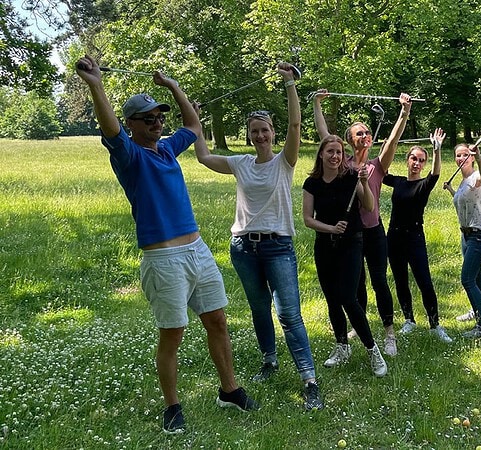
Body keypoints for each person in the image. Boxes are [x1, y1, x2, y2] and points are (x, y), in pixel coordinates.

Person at [75, 56, 258, 435]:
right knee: (173, 333)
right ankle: (173, 406)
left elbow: (193, 125)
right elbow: (110, 129)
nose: (157, 123)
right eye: (148, 119)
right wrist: (96, 85)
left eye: (160, 117)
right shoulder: (129, 155)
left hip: (197, 250)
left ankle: (229, 390)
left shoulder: (168, 148)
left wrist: (173, 86)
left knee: (218, 321)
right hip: (163, 259)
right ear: (132, 125)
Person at [194, 63, 322, 410]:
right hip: (243, 247)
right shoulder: (241, 164)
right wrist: (195, 119)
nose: (260, 136)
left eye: (265, 130)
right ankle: (269, 360)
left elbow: (296, 125)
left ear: (273, 134)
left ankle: (309, 380)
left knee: (289, 314)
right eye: (255, 131)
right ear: (249, 135)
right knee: (259, 309)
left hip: (278, 246)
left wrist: (290, 83)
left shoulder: (285, 162)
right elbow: (203, 156)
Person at [313, 91, 412, 356]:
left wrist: (404, 112)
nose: (365, 135)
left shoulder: (377, 165)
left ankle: (389, 333)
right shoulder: (342, 165)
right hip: (350, 235)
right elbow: (325, 136)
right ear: (349, 140)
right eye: (359, 133)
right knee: (356, 284)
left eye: (367, 131)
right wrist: (317, 105)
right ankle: (359, 326)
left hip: (374, 231)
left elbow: (393, 140)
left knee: (379, 281)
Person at [302, 135, 388, 377]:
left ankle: (373, 350)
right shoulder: (312, 183)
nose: (335, 156)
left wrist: (364, 183)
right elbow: (307, 219)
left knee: (349, 298)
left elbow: (369, 206)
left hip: (351, 243)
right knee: (332, 299)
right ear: (321, 154)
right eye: (330, 151)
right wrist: (331, 228)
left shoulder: (351, 177)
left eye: (339, 152)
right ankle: (342, 346)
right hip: (324, 245)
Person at [383, 129, 453, 346]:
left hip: (414, 237)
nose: (417, 163)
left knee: (424, 281)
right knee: (400, 280)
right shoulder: (398, 182)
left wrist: (437, 150)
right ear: (407, 160)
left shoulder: (424, 184)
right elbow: (382, 172)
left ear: (424, 164)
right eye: (414, 158)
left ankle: (435, 324)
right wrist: (388, 147)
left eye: (421, 160)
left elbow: (435, 174)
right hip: (394, 237)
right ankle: (409, 320)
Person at [443, 141, 481, 338]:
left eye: (465, 154)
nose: (461, 158)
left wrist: (479, 157)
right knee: (476, 276)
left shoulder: (476, 177)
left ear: (471, 157)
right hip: (466, 234)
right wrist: (451, 190)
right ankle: (475, 310)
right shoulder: (463, 181)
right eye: (458, 155)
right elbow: (462, 201)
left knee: (467, 279)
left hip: (479, 234)